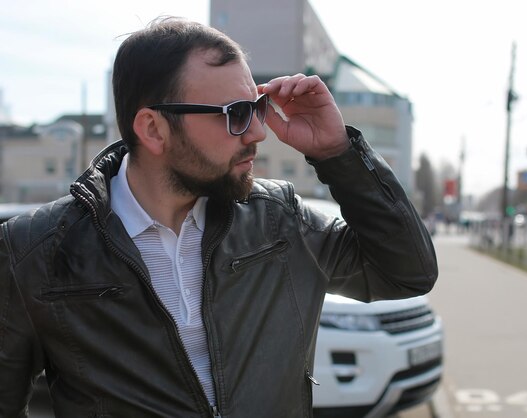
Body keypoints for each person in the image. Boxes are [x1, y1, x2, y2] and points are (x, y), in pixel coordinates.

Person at [0, 18, 437, 417]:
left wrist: (337, 153)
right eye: (236, 115)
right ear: (153, 129)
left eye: (256, 107)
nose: (259, 132)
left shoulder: (280, 223)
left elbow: (406, 272)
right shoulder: (34, 253)